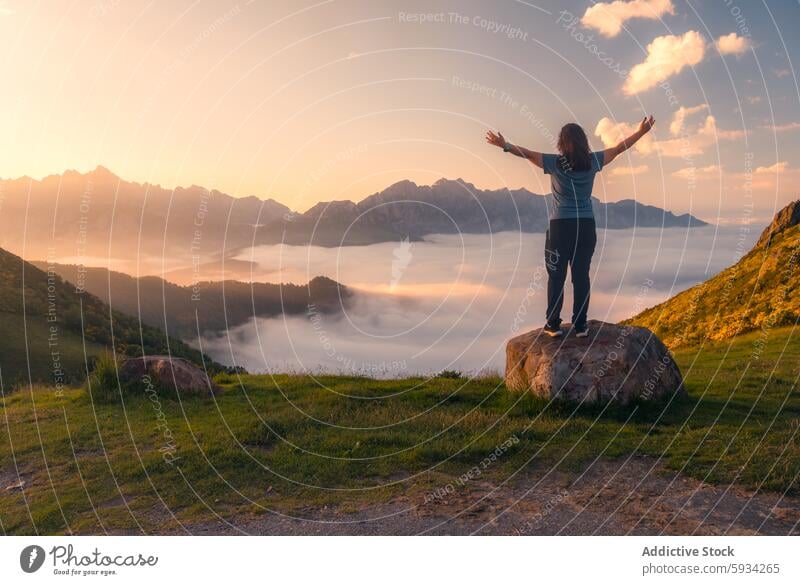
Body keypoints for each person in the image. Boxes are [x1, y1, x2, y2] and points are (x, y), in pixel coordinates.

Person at [486, 116, 655, 337]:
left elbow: (526, 153)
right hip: (585, 226)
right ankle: (581, 326)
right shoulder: (593, 161)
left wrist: (505, 145)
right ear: (584, 141)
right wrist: (641, 132)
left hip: (560, 227)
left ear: (561, 143)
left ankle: (553, 325)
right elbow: (619, 148)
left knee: (556, 276)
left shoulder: (554, 163)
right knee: (581, 276)